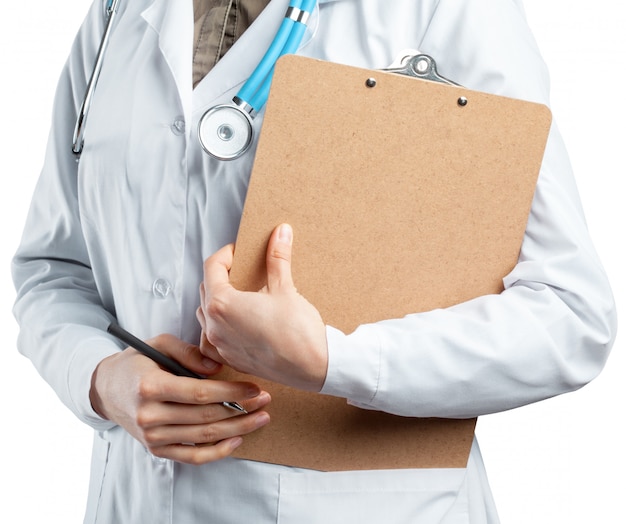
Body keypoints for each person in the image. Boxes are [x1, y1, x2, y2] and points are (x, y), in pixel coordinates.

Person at [12, 0, 617, 522]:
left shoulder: (437, 11)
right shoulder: (115, 15)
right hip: (135, 499)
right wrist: (99, 377)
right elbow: (52, 269)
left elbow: (567, 316)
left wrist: (337, 360)